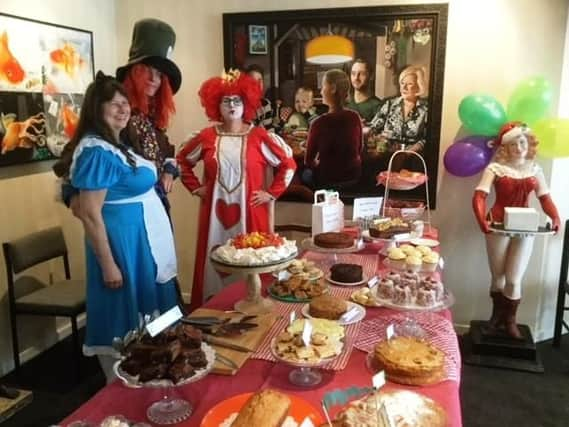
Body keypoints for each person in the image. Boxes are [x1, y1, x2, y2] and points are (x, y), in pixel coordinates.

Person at [54, 18, 186, 311]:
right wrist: (75, 198)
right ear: (133, 73)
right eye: (147, 71)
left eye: (159, 73)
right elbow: (73, 163)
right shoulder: (114, 120)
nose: (154, 78)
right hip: (122, 228)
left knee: (158, 292)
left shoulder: (151, 116)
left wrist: (169, 169)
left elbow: (165, 151)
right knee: (132, 304)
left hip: (154, 214)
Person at [69, 72, 178, 382]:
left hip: (145, 241)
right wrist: (108, 265)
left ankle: (155, 373)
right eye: (113, 104)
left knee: (153, 311)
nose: (123, 109)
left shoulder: (117, 145)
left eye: (124, 103)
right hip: (121, 245)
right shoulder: (95, 151)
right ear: (95, 109)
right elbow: (89, 212)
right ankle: (121, 387)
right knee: (122, 315)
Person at [177, 70, 296, 309]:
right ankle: (212, 315)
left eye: (237, 100)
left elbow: (288, 165)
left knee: (253, 267)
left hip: (251, 215)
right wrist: (195, 188)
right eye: (225, 100)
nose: (232, 105)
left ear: (247, 103)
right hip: (214, 218)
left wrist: (271, 193)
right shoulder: (206, 137)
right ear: (216, 105)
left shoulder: (260, 137)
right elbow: (181, 161)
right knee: (215, 264)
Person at [472, 122, 560, 339]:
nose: (518, 147)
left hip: (525, 226)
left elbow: (545, 197)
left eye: (522, 142)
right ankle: (496, 318)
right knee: (498, 277)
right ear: (505, 148)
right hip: (498, 225)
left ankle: (510, 320)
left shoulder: (534, 169)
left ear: (528, 143)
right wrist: (481, 219)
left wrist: (555, 216)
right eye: (512, 144)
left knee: (514, 278)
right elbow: (479, 196)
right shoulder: (495, 168)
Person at [303, 69, 363, 189]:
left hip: (327, 180)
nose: (320, 92)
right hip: (353, 177)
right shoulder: (355, 117)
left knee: (304, 174)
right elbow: (359, 149)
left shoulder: (318, 123)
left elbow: (308, 161)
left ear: (333, 89)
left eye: (323, 86)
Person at [368, 65, 428, 153]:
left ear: (419, 86)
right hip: (385, 153)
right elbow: (373, 128)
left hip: (412, 157)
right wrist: (379, 143)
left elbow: (426, 139)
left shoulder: (425, 110)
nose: (404, 87)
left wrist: (408, 153)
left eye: (409, 84)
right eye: (402, 83)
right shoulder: (389, 104)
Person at [346, 58, 382, 124]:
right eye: (353, 73)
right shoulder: (344, 104)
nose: (356, 78)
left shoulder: (378, 106)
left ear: (371, 76)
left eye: (362, 74)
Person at [245, 64, 275, 130]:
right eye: (253, 81)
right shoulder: (240, 105)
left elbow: (269, 130)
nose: (257, 84)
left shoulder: (265, 103)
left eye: (260, 80)